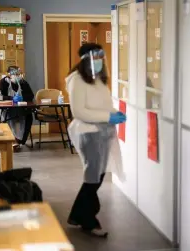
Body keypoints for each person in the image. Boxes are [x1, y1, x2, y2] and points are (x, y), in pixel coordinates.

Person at [66, 43, 126, 237]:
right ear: (86, 59)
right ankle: (88, 220)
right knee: (94, 177)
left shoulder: (98, 79)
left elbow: (102, 105)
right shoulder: (77, 80)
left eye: (102, 57)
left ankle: (78, 215)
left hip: (102, 132)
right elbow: (79, 111)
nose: (100, 61)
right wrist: (109, 117)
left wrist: (115, 113)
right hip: (88, 132)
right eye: (96, 57)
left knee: (96, 176)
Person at [0, 66, 34, 149]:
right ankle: (12, 140)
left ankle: (21, 140)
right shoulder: (3, 82)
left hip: (22, 109)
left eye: (19, 74)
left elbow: (31, 95)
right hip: (7, 109)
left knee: (29, 116)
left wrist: (22, 97)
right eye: (15, 74)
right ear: (9, 75)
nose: (18, 76)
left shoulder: (23, 82)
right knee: (12, 115)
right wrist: (11, 98)